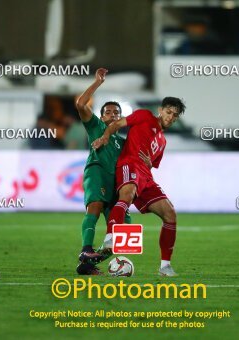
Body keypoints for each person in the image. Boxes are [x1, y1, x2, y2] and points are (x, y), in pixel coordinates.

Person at [90, 96, 186, 277]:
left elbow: (151, 164)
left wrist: (149, 162)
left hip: (146, 177)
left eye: (175, 115)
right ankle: (110, 238)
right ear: (160, 110)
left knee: (170, 214)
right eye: (168, 112)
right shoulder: (144, 116)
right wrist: (105, 137)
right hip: (130, 164)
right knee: (127, 195)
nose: (170, 117)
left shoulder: (162, 142)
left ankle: (165, 267)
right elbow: (116, 125)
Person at [75, 68, 139, 275]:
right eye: (108, 112)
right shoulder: (95, 127)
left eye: (117, 113)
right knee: (95, 205)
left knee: (124, 231)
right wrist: (97, 83)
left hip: (116, 183)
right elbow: (80, 104)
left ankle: (88, 264)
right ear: (101, 117)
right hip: (97, 171)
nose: (113, 115)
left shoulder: (123, 142)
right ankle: (86, 250)